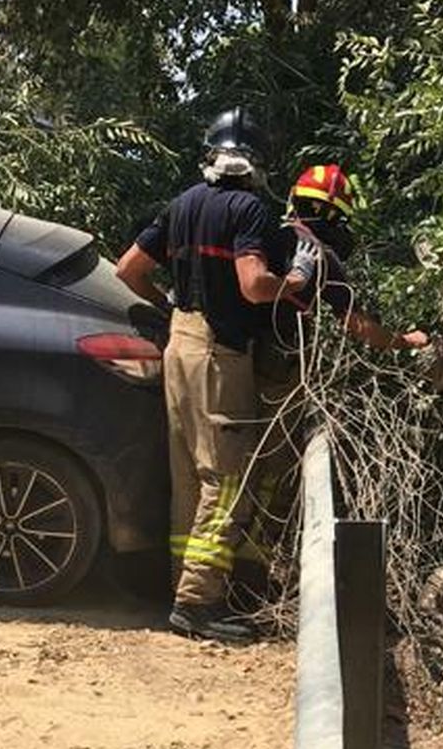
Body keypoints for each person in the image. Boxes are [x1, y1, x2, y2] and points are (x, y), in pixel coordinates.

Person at [113, 106, 309, 645]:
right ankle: (198, 603)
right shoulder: (251, 211)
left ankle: (185, 587)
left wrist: (169, 302)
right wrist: (293, 280)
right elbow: (253, 285)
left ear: (211, 154)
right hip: (222, 356)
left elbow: (127, 268)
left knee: (189, 479)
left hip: (180, 342)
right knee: (226, 482)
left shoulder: (182, 204)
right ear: (255, 163)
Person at [229, 162, 430, 604]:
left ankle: (223, 570)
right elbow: (358, 326)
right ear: (335, 216)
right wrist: (404, 341)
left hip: (228, 365)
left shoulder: (261, 235)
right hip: (278, 377)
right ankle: (247, 574)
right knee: (271, 471)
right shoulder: (319, 255)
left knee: (229, 468)